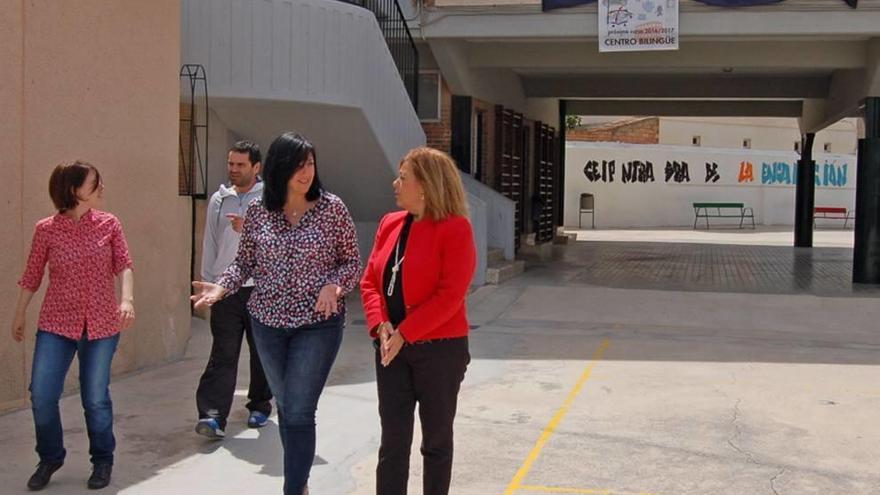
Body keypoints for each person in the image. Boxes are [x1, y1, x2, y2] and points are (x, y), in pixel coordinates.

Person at [191, 132, 361, 495]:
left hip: (317, 325)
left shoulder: (333, 209)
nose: (306, 172)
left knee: (299, 410)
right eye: (299, 165)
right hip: (267, 323)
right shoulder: (258, 212)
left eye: (311, 164)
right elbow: (244, 263)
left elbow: (351, 263)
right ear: (281, 167)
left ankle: (293, 488)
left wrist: (334, 285)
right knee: (286, 406)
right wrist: (221, 286)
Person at [11, 161, 135, 491]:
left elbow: (124, 265)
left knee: (95, 397)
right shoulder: (46, 229)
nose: (102, 187)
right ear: (74, 190)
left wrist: (127, 300)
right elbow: (32, 275)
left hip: (102, 323)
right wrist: (19, 314)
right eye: (95, 183)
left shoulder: (110, 224)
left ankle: (102, 460)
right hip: (56, 322)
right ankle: (50, 456)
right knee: (42, 394)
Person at [360, 147, 476, 495]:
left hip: (439, 352)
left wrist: (406, 333)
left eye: (403, 177)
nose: (395, 183)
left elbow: (450, 296)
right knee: (392, 443)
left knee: (436, 443)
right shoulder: (390, 224)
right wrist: (380, 324)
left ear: (424, 185)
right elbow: (370, 281)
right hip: (390, 348)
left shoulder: (456, 229)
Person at [195, 140, 273, 439]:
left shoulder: (270, 198)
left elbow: (279, 240)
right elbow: (211, 242)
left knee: (261, 351)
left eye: (241, 165)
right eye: (231, 164)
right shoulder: (219, 199)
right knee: (223, 352)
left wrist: (251, 229)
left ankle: (259, 405)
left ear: (256, 167)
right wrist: (210, 283)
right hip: (225, 289)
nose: (234, 170)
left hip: (260, 288)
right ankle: (212, 415)